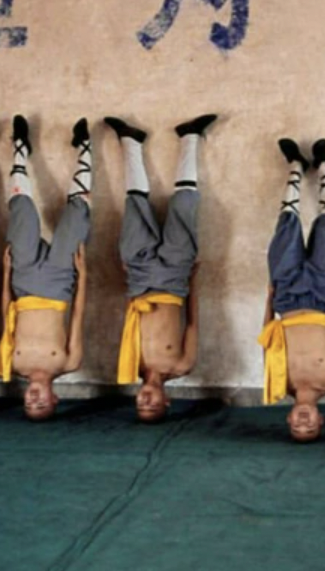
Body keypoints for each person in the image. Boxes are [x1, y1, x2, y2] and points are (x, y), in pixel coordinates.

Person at [105, 114, 216, 422]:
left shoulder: (131, 364)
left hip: (139, 278)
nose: (146, 401)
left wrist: (129, 280)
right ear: (167, 402)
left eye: (141, 405)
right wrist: (193, 281)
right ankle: (190, 137)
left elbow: (130, 321)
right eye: (153, 406)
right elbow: (192, 324)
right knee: (184, 206)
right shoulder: (181, 366)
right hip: (175, 281)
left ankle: (130, 142)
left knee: (135, 204)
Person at [258, 138, 325, 442]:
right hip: (323, 298)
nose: (302, 422)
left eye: (296, 427)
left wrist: (270, 300)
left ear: (287, 418)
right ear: (320, 419)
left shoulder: (279, 382)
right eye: (309, 426)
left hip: (285, 299)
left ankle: (296, 167)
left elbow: (267, 340)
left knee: (286, 225)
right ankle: (324, 164)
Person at [0, 115, 90, 420]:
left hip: (22, 285)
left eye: (28, 404)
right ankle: (85, 148)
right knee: (77, 217)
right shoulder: (68, 362)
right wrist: (83, 275)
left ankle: (20, 149)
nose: (34, 399)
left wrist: (7, 274)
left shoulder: (14, 364)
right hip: (59, 286)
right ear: (56, 398)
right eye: (42, 404)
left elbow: (6, 314)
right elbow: (78, 314)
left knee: (22, 211)